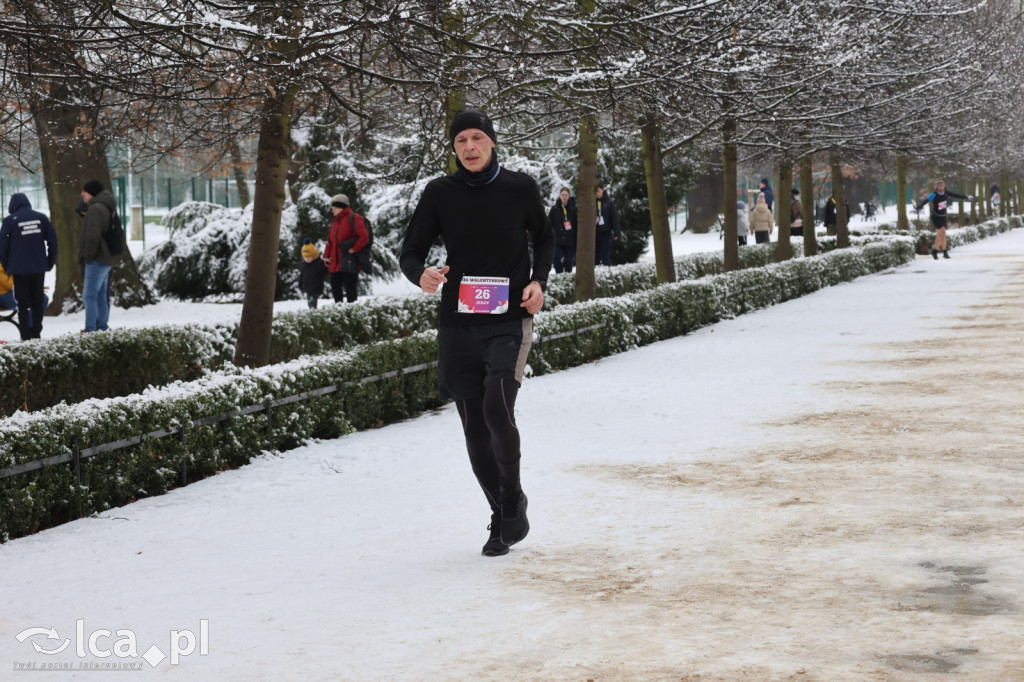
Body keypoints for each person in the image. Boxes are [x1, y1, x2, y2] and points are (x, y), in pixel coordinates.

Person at [400, 108, 554, 557]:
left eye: (477, 138)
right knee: (473, 430)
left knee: (496, 408)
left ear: (491, 142)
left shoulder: (520, 188)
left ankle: (512, 494)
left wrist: (538, 281)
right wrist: (421, 276)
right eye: (461, 140)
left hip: (508, 319)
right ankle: (501, 511)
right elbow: (411, 250)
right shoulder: (439, 193)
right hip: (458, 324)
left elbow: (545, 238)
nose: (469, 147)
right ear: (453, 147)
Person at [0, 193, 58, 339]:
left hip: (19, 270)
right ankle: (36, 333)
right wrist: (49, 262)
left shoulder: (9, 221)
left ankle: (25, 336)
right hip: (38, 268)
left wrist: (8, 267)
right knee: (38, 302)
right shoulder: (41, 218)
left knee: (23, 304)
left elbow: (2, 247)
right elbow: (53, 241)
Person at [323, 193, 371, 303]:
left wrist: (354, 249)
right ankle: (339, 313)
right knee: (335, 287)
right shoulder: (335, 222)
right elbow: (330, 241)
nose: (332, 210)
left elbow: (364, 237)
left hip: (349, 260)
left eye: (335, 208)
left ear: (341, 207)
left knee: (350, 288)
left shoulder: (355, 218)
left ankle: (352, 313)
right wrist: (326, 256)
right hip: (335, 261)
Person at [914, 180, 972, 259]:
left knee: (942, 234)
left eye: (942, 186)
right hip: (935, 216)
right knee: (942, 231)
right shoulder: (934, 194)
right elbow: (925, 201)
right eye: (939, 186)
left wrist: (966, 197)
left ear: (944, 186)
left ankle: (941, 252)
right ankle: (936, 251)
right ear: (937, 187)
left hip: (943, 216)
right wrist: (917, 208)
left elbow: (956, 195)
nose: (941, 187)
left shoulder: (946, 192)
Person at [548, 187, 577, 273]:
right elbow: (549, 224)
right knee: (557, 261)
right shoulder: (554, 209)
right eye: (562, 195)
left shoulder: (574, 209)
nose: (564, 197)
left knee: (568, 262)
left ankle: (568, 280)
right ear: (560, 196)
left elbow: (577, 225)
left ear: (569, 196)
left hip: (570, 241)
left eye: (566, 195)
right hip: (558, 241)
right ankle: (559, 277)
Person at [594, 185, 621, 266]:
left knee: (604, 254)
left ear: (603, 190)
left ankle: (608, 272)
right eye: (595, 192)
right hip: (594, 232)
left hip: (606, 232)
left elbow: (614, 217)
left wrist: (617, 232)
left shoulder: (608, 202)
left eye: (599, 191)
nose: (597, 193)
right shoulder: (592, 202)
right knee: (596, 256)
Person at [299, 238, 328, 308]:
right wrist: (300, 285)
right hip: (308, 288)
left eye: (309, 257)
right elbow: (301, 275)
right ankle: (312, 311)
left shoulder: (318, 262)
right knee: (310, 301)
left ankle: (313, 312)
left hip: (316, 287)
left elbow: (325, 270)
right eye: (305, 257)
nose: (307, 259)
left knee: (312, 301)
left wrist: (326, 264)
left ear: (314, 255)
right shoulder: (304, 265)